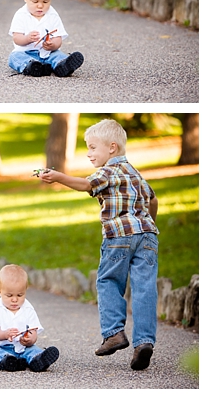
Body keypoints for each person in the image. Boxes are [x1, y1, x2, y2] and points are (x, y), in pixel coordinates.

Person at [39, 118, 159, 370]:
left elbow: (86, 185)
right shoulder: (134, 173)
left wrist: (59, 176)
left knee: (108, 281)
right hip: (148, 236)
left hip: (118, 237)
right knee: (145, 289)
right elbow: (153, 199)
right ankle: (144, 342)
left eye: (93, 147)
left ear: (112, 148)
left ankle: (114, 333)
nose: (89, 153)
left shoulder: (108, 171)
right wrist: (149, 224)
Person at [0, 264, 59, 372]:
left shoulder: (28, 309)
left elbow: (33, 331)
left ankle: (37, 360)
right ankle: (7, 361)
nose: (14, 300)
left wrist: (29, 340)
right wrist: (5, 334)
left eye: (19, 295)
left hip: (22, 347)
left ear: (25, 291)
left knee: (33, 349)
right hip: (1, 347)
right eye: (9, 296)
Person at [8, 0, 84, 77]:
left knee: (57, 54)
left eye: (45, 2)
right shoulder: (21, 15)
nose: (40, 6)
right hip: (26, 52)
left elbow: (58, 38)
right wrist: (27, 38)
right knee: (14, 57)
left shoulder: (52, 15)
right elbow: (16, 38)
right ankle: (32, 66)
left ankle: (62, 65)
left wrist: (53, 45)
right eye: (35, 2)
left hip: (47, 53)